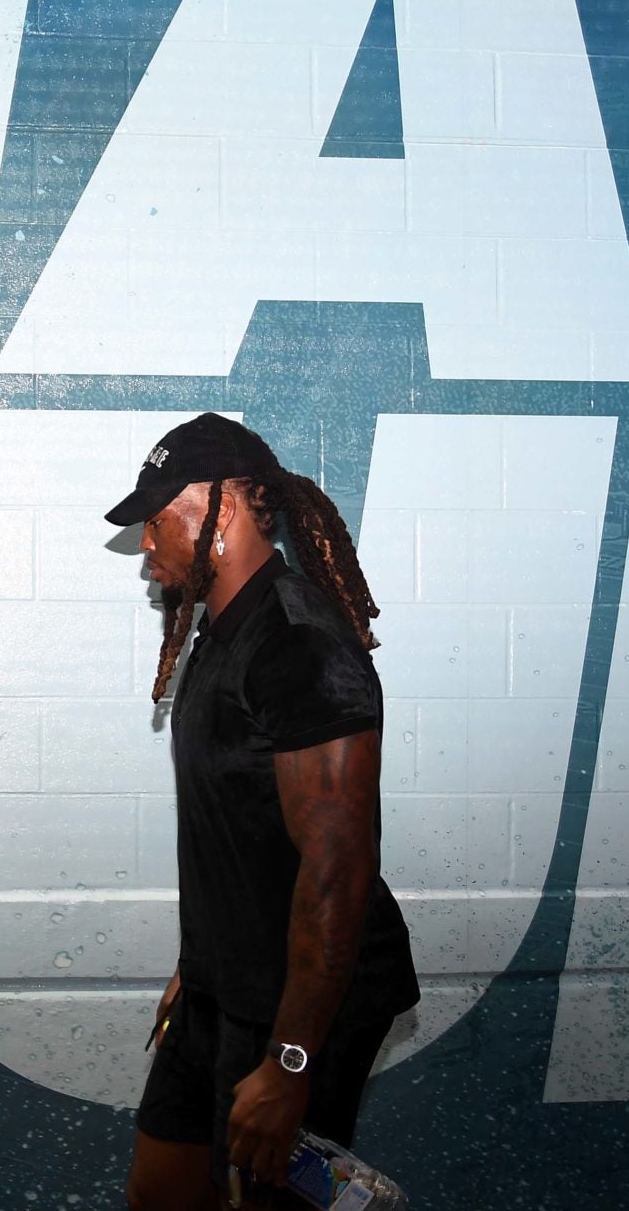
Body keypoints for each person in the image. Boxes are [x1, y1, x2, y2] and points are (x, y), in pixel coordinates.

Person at [111, 414, 420, 1211]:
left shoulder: (300, 642)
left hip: (300, 1005)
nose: (148, 544)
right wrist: (200, 959)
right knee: (163, 1189)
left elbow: (337, 870)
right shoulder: (220, 631)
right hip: (225, 982)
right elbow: (237, 827)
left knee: (267, 1200)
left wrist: (290, 1064)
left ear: (225, 506)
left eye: (156, 519)